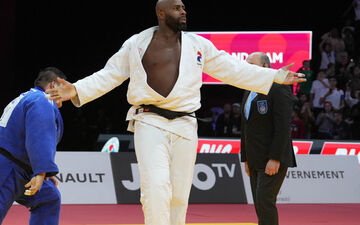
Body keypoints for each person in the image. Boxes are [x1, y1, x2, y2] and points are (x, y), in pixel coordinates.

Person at [46, 1, 305, 224]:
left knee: (180, 195)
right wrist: (77, 89)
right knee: (156, 187)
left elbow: (235, 69)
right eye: (177, 7)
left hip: (185, 124)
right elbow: (110, 73)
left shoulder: (198, 45)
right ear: (161, 13)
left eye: (183, 7)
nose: (183, 11)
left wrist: (277, 76)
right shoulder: (137, 43)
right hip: (148, 120)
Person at [0, 67, 66, 225]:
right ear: (52, 86)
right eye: (63, 89)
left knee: (48, 198)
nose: (66, 96)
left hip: (20, 169)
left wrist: (41, 170)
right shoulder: (43, 99)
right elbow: (38, 135)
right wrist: (42, 170)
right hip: (8, 167)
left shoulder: (27, 97)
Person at [240, 52, 297, 225]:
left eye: (251, 63)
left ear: (265, 67)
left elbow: (283, 127)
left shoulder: (278, 87)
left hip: (272, 157)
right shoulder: (248, 89)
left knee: (265, 201)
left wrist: (275, 158)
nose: (246, 66)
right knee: (259, 202)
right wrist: (246, 159)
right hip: (254, 157)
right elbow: (245, 127)